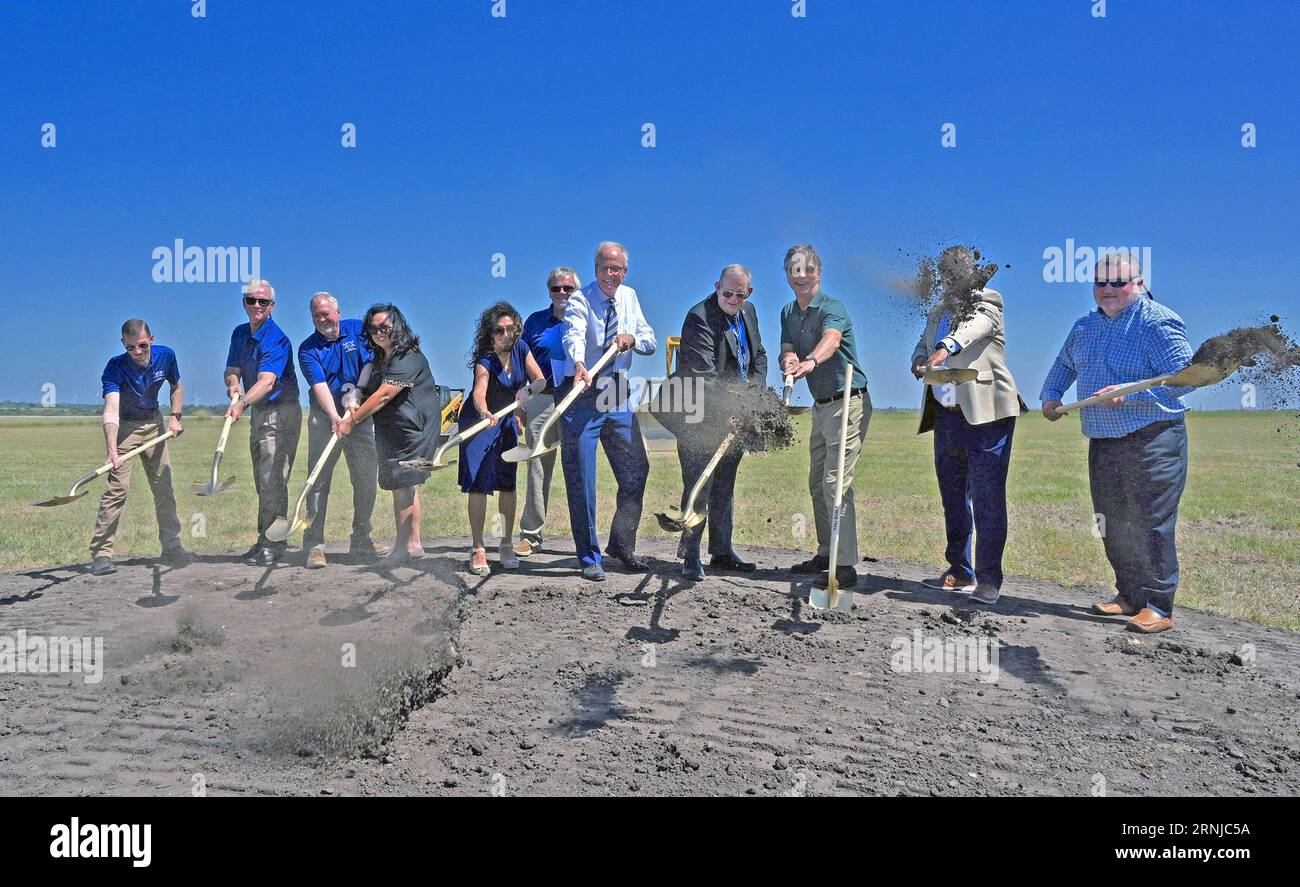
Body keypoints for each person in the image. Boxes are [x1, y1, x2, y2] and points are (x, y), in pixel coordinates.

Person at [1040, 250, 1192, 634]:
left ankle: (1159, 606)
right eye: (1100, 283)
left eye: (1118, 282)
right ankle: (1128, 595)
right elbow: (1064, 365)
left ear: (1138, 284)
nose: (1108, 290)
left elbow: (1185, 380)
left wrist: (1130, 393)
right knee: (1110, 522)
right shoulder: (1084, 327)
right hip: (1104, 440)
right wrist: (1051, 396)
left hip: (1153, 438)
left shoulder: (1158, 323)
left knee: (1151, 523)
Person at [910, 246, 1028, 605]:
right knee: (953, 495)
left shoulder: (987, 300)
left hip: (987, 416)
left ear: (970, 271)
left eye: (956, 270)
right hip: (946, 414)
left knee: (987, 496)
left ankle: (989, 579)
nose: (950, 277)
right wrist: (918, 360)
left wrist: (945, 348)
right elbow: (922, 345)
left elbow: (973, 329)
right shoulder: (937, 309)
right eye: (944, 271)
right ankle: (959, 569)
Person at [664, 263, 767, 581]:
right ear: (716, 287)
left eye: (740, 293)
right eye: (728, 293)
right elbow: (703, 376)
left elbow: (759, 355)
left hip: (736, 410)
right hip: (698, 414)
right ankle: (690, 555)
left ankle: (722, 552)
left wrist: (752, 397)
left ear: (748, 292)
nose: (734, 299)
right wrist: (728, 410)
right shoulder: (699, 318)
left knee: (725, 484)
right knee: (700, 483)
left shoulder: (748, 312)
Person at [560, 241, 656, 581]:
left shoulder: (629, 297)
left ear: (625, 271)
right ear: (595, 268)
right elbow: (572, 334)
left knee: (636, 470)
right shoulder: (580, 299)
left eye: (617, 269)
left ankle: (621, 543)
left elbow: (650, 339)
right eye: (604, 268)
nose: (610, 275)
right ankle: (589, 556)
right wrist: (580, 363)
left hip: (618, 390)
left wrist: (632, 339)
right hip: (583, 390)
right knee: (582, 476)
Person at [778, 244, 872, 590]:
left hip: (849, 399)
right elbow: (787, 347)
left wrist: (812, 361)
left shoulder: (832, 307)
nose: (801, 276)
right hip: (820, 405)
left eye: (807, 270)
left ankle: (843, 565)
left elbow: (831, 341)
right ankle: (825, 551)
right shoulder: (789, 311)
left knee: (836, 483)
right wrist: (788, 361)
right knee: (817, 481)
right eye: (794, 270)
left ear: (819, 272)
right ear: (788, 274)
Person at [337, 304, 440, 566]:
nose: (379, 332)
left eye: (385, 327)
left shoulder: (407, 357)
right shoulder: (384, 358)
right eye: (373, 328)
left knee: (402, 483)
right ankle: (413, 545)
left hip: (411, 430)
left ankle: (401, 550)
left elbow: (385, 394)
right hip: (394, 430)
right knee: (404, 485)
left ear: (398, 326)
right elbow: (370, 375)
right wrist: (357, 392)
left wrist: (352, 421)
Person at [88, 319, 190, 576]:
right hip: (126, 429)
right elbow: (111, 409)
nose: (138, 352)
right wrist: (112, 449)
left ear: (151, 339)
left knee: (163, 487)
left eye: (142, 346)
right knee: (117, 490)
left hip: (154, 425)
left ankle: (172, 547)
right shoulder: (115, 367)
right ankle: (101, 553)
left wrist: (175, 416)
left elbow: (176, 387)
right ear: (124, 344)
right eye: (131, 347)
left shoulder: (167, 356)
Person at [296, 292, 389, 569]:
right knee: (318, 481)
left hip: (359, 417)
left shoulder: (357, 330)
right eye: (317, 315)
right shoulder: (307, 349)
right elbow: (319, 386)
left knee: (365, 479)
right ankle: (314, 545)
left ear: (338, 312)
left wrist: (358, 396)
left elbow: (371, 362)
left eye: (326, 313)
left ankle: (361, 537)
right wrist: (336, 417)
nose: (322, 319)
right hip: (325, 420)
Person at [461, 301, 546, 575]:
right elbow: (479, 392)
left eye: (510, 329)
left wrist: (526, 396)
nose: (506, 335)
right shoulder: (484, 361)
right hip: (481, 422)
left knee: (507, 484)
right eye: (499, 330)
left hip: (507, 420)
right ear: (490, 333)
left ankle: (507, 544)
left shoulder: (521, 348)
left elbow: (540, 380)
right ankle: (478, 548)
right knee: (479, 485)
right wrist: (484, 411)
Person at [223, 279, 300, 567]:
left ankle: (274, 544)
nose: (257, 306)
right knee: (261, 480)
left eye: (263, 302)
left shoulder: (276, 339)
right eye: (251, 300)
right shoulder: (239, 333)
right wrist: (234, 387)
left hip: (280, 412)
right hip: (258, 411)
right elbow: (232, 370)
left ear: (272, 306)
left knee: (272, 479)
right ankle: (264, 539)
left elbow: (267, 383)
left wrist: (242, 403)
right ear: (243, 302)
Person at [515, 268, 577, 557]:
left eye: (568, 288)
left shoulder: (586, 319)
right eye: (556, 288)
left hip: (579, 400)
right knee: (537, 467)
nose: (562, 293)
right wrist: (520, 404)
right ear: (549, 291)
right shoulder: (535, 322)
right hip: (542, 400)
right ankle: (530, 535)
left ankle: (585, 540)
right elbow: (520, 363)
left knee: (580, 468)